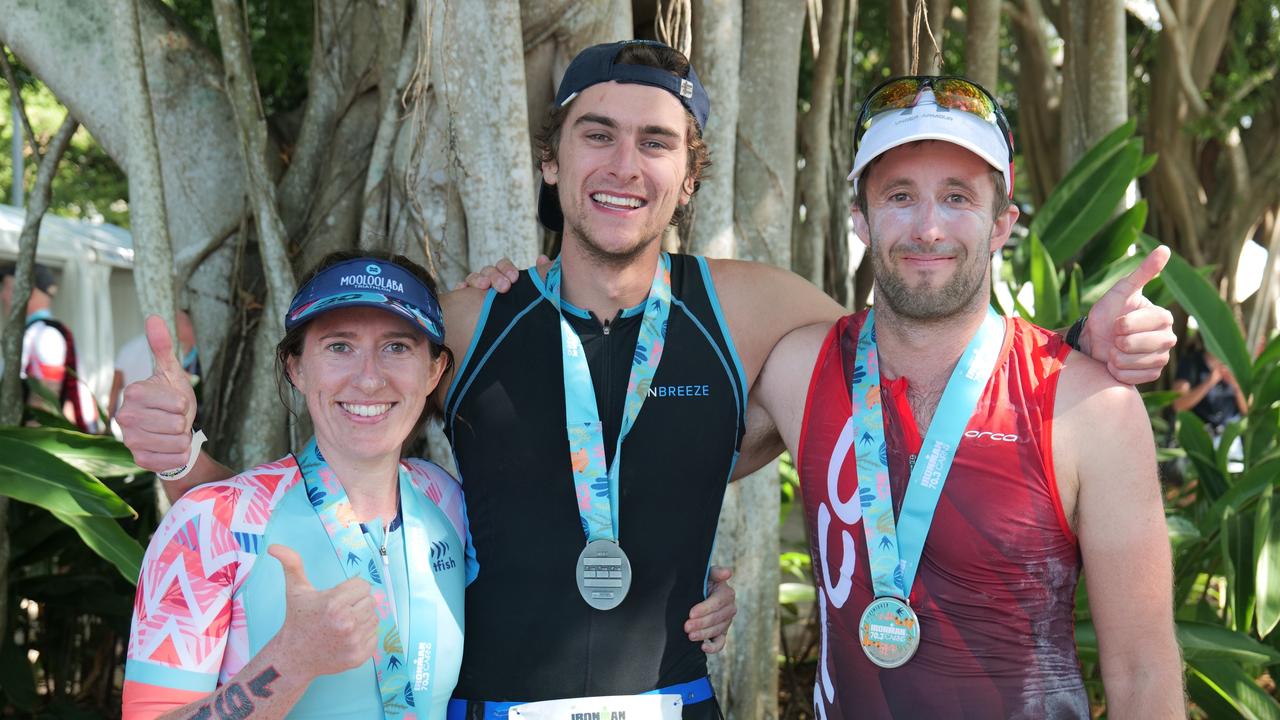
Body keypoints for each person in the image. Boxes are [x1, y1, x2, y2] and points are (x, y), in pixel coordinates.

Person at [117, 43, 1175, 716]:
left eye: (655, 144)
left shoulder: (751, 308)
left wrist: (1080, 346)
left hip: (676, 704)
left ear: (688, 173)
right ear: (550, 162)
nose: (624, 166)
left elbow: (931, 339)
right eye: (596, 136)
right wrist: (182, 457)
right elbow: (309, 483)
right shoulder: (463, 320)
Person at [744, 76, 1183, 716]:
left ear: (1002, 224)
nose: (928, 228)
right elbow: (666, 464)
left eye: (957, 198)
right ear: (860, 220)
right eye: (900, 196)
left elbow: (1143, 675)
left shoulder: (1089, 408)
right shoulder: (799, 368)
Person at [123, 251, 471, 719]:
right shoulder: (207, 525)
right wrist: (291, 661)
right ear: (296, 368)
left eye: (397, 347)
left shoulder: (446, 503)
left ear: (434, 371)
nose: (369, 379)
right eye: (339, 347)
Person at [1, 262, 99, 432]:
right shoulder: (37, 332)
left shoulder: (44, 335)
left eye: (8, 288)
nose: (3, 296)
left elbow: (45, 404)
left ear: (27, 292)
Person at [110, 309, 199, 423]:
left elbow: (115, 389)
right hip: (162, 420)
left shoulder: (127, 349)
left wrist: (108, 422)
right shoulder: (173, 352)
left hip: (133, 419)